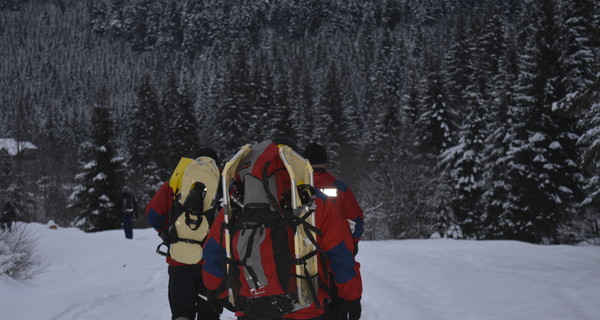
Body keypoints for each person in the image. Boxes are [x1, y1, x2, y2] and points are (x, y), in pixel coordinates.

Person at [202, 140, 362, 320]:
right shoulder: (314, 201)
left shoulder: (237, 205)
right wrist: (352, 296)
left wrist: (214, 289)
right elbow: (340, 253)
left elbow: (213, 251)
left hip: (251, 307)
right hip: (304, 307)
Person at [146, 148, 222, 320]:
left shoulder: (176, 182)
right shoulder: (222, 185)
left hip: (179, 261)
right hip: (210, 265)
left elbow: (153, 214)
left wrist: (168, 234)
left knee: (181, 314)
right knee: (209, 314)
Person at [303, 143, 364, 320]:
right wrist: (353, 242)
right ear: (326, 163)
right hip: (336, 256)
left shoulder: (295, 189)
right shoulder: (340, 188)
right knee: (338, 305)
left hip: (305, 261)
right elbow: (356, 220)